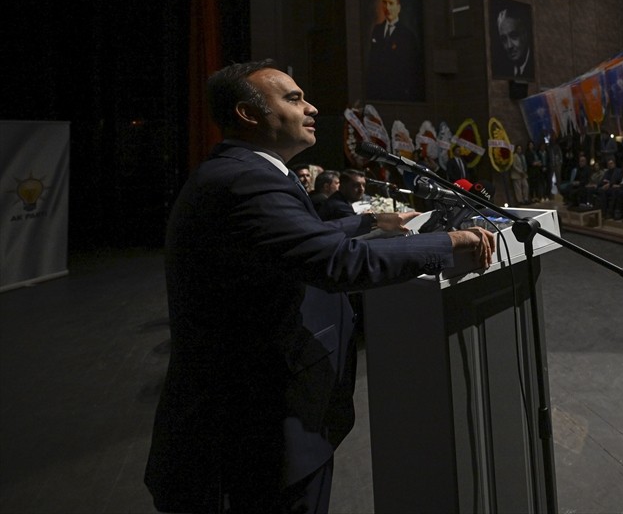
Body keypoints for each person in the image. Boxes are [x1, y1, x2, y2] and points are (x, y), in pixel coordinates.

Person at [145, 59, 494, 514]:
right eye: (293, 98)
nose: (311, 108)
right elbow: (337, 263)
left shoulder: (251, 171)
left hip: (271, 422)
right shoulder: (245, 179)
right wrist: (447, 241)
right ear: (249, 114)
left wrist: (369, 220)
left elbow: (302, 236)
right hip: (255, 432)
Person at [365, 0, 424, 101]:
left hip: (399, 92)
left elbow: (412, 69)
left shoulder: (407, 35)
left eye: (391, 3)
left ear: (398, 7)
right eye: (385, 3)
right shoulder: (377, 30)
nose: (387, 7)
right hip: (379, 92)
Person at [495, 6, 534, 80]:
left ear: (525, 35)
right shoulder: (503, 70)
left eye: (514, 36)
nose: (509, 46)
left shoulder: (535, 65)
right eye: (504, 39)